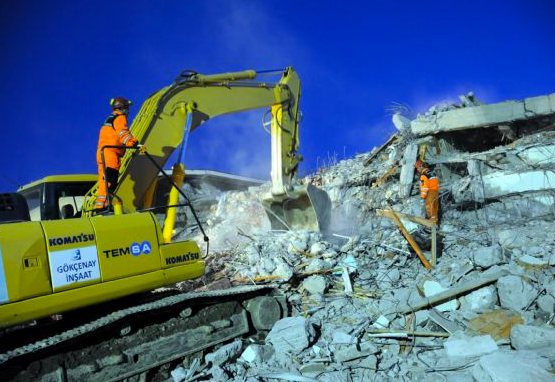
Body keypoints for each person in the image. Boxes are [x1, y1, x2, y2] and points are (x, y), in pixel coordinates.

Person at [95, 97, 145, 210]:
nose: (128, 111)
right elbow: (122, 132)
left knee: (105, 179)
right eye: (127, 108)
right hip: (111, 152)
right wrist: (133, 143)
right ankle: (105, 205)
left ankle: (100, 205)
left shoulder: (109, 119)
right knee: (111, 178)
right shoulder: (120, 118)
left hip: (102, 152)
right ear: (123, 108)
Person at [415, 159, 440, 224]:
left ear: (421, 166)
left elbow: (424, 187)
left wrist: (422, 197)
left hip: (430, 193)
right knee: (434, 210)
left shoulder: (423, 175)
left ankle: (431, 226)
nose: (417, 170)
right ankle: (435, 225)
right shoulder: (432, 172)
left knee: (430, 210)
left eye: (418, 168)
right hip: (436, 192)